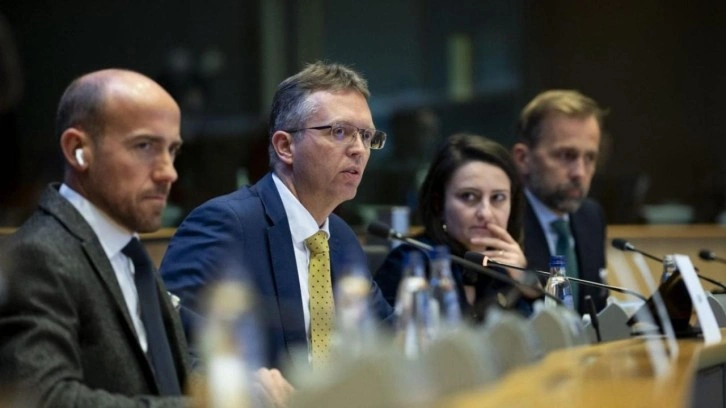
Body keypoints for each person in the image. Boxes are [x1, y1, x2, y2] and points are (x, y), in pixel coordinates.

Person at [0, 69, 292, 407]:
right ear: (78, 149)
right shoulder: (37, 257)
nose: (168, 172)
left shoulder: (129, 252)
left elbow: (162, 372)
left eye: (172, 150)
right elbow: (47, 400)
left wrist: (238, 389)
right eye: (144, 146)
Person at [160, 61, 393, 372]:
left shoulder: (341, 238)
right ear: (285, 146)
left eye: (366, 136)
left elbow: (391, 340)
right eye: (340, 132)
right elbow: (171, 348)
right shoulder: (225, 225)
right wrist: (251, 382)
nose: (359, 150)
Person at [375, 133, 535, 321]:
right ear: (439, 204)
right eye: (469, 196)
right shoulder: (410, 262)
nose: (485, 213)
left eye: (498, 198)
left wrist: (523, 283)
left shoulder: (504, 268)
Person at [511, 89, 609, 315]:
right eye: (566, 155)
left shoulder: (591, 216)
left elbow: (595, 311)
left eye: (590, 158)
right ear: (523, 159)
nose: (579, 173)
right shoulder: (505, 220)